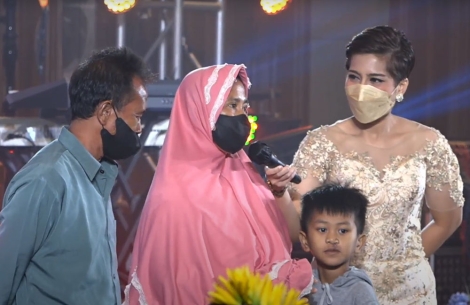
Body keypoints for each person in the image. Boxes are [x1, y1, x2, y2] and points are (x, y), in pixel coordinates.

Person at [266, 25, 464, 304]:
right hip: (340, 290)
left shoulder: (429, 143)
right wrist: (279, 193)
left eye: (376, 80)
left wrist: (407, 264)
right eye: (354, 77)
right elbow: (297, 227)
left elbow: (448, 220)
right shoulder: (321, 142)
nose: (361, 90)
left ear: (401, 87)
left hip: (411, 292)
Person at [123, 64, 313, 305]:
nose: (242, 116)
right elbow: (181, 289)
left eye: (244, 106)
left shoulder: (243, 170)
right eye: (232, 105)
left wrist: (278, 191)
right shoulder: (173, 197)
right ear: (200, 111)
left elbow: (293, 234)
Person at [0, 47, 152, 305]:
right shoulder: (45, 180)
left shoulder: (99, 174)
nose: (140, 128)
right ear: (105, 112)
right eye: (137, 118)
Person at [299, 184, 378, 305]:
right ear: (305, 241)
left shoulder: (360, 291)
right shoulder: (301, 285)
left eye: (343, 231)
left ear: (359, 242)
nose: (332, 239)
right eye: (323, 230)